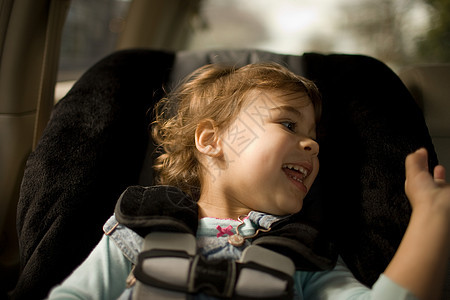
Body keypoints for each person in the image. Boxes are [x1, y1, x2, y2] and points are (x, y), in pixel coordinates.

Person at [47, 63, 450, 300]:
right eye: (288, 124)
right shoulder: (140, 229)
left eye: (314, 137)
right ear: (212, 140)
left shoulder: (303, 255)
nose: (310, 144)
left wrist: (431, 216)